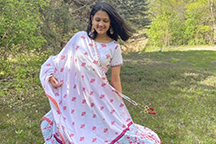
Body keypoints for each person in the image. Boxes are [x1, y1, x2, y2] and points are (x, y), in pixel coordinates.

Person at [40, 2, 161, 144]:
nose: (101, 24)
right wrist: (51, 75)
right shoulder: (79, 38)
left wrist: (118, 105)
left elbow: (115, 79)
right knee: (76, 129)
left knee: (108, 130)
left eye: (105, 21)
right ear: (92, 19)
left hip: (99, 97)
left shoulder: (114, 47)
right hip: (76, 97)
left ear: (110, 23)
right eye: (98, 19)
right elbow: (58, 60)